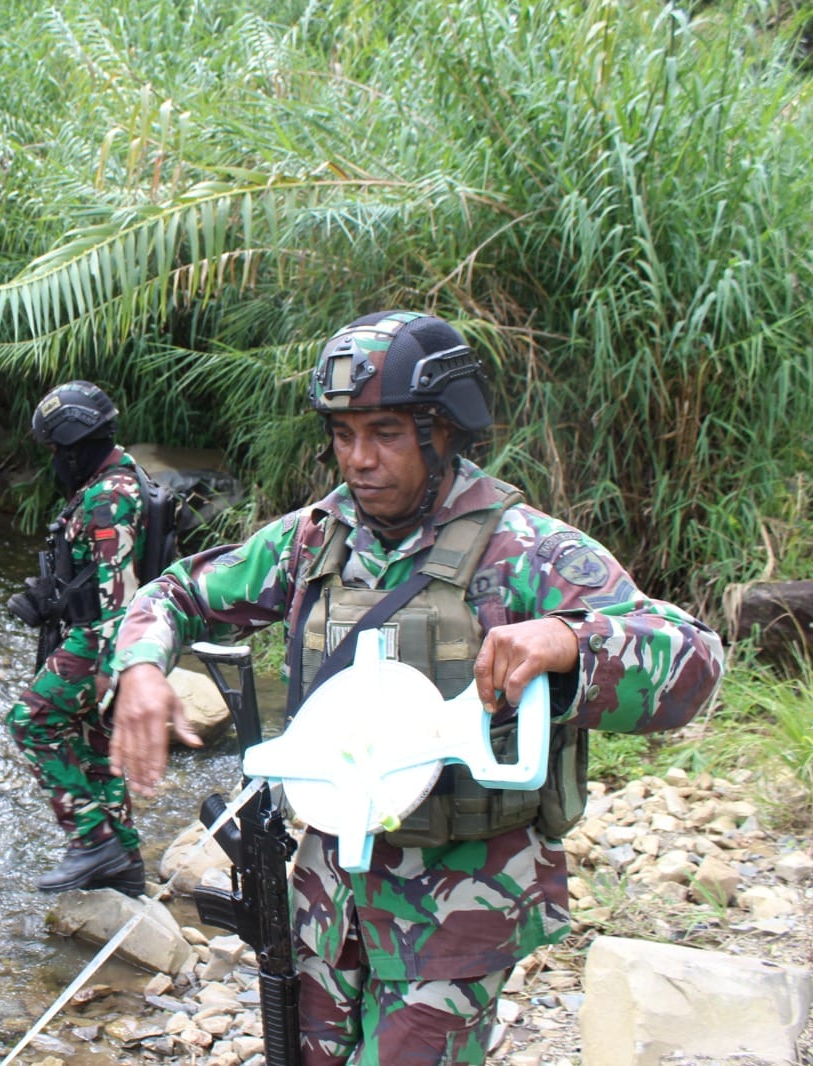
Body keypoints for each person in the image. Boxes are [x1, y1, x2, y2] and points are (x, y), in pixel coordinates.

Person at [107, 311, 724, 1063]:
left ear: (443, 432)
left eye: (386, 434)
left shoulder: (523, 549)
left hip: (458, 908)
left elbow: (694, 663)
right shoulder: (315, 539)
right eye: (342, 435)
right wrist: (140, 665)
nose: (359, 460)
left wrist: (568, 640)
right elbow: (177, 590)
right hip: (325, 904)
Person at [5, 381, 150, 895]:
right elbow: (92, 577)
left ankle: (93, 840)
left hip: (105, 642)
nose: (52, 461)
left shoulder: (109, 497)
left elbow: (119, 595)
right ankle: (124, 867)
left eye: (53, 450)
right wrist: (51, 599)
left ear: (72, 444)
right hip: (100, 637)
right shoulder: (110, 482)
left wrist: (116, 673)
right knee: (95, 750)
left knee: (31, 721)